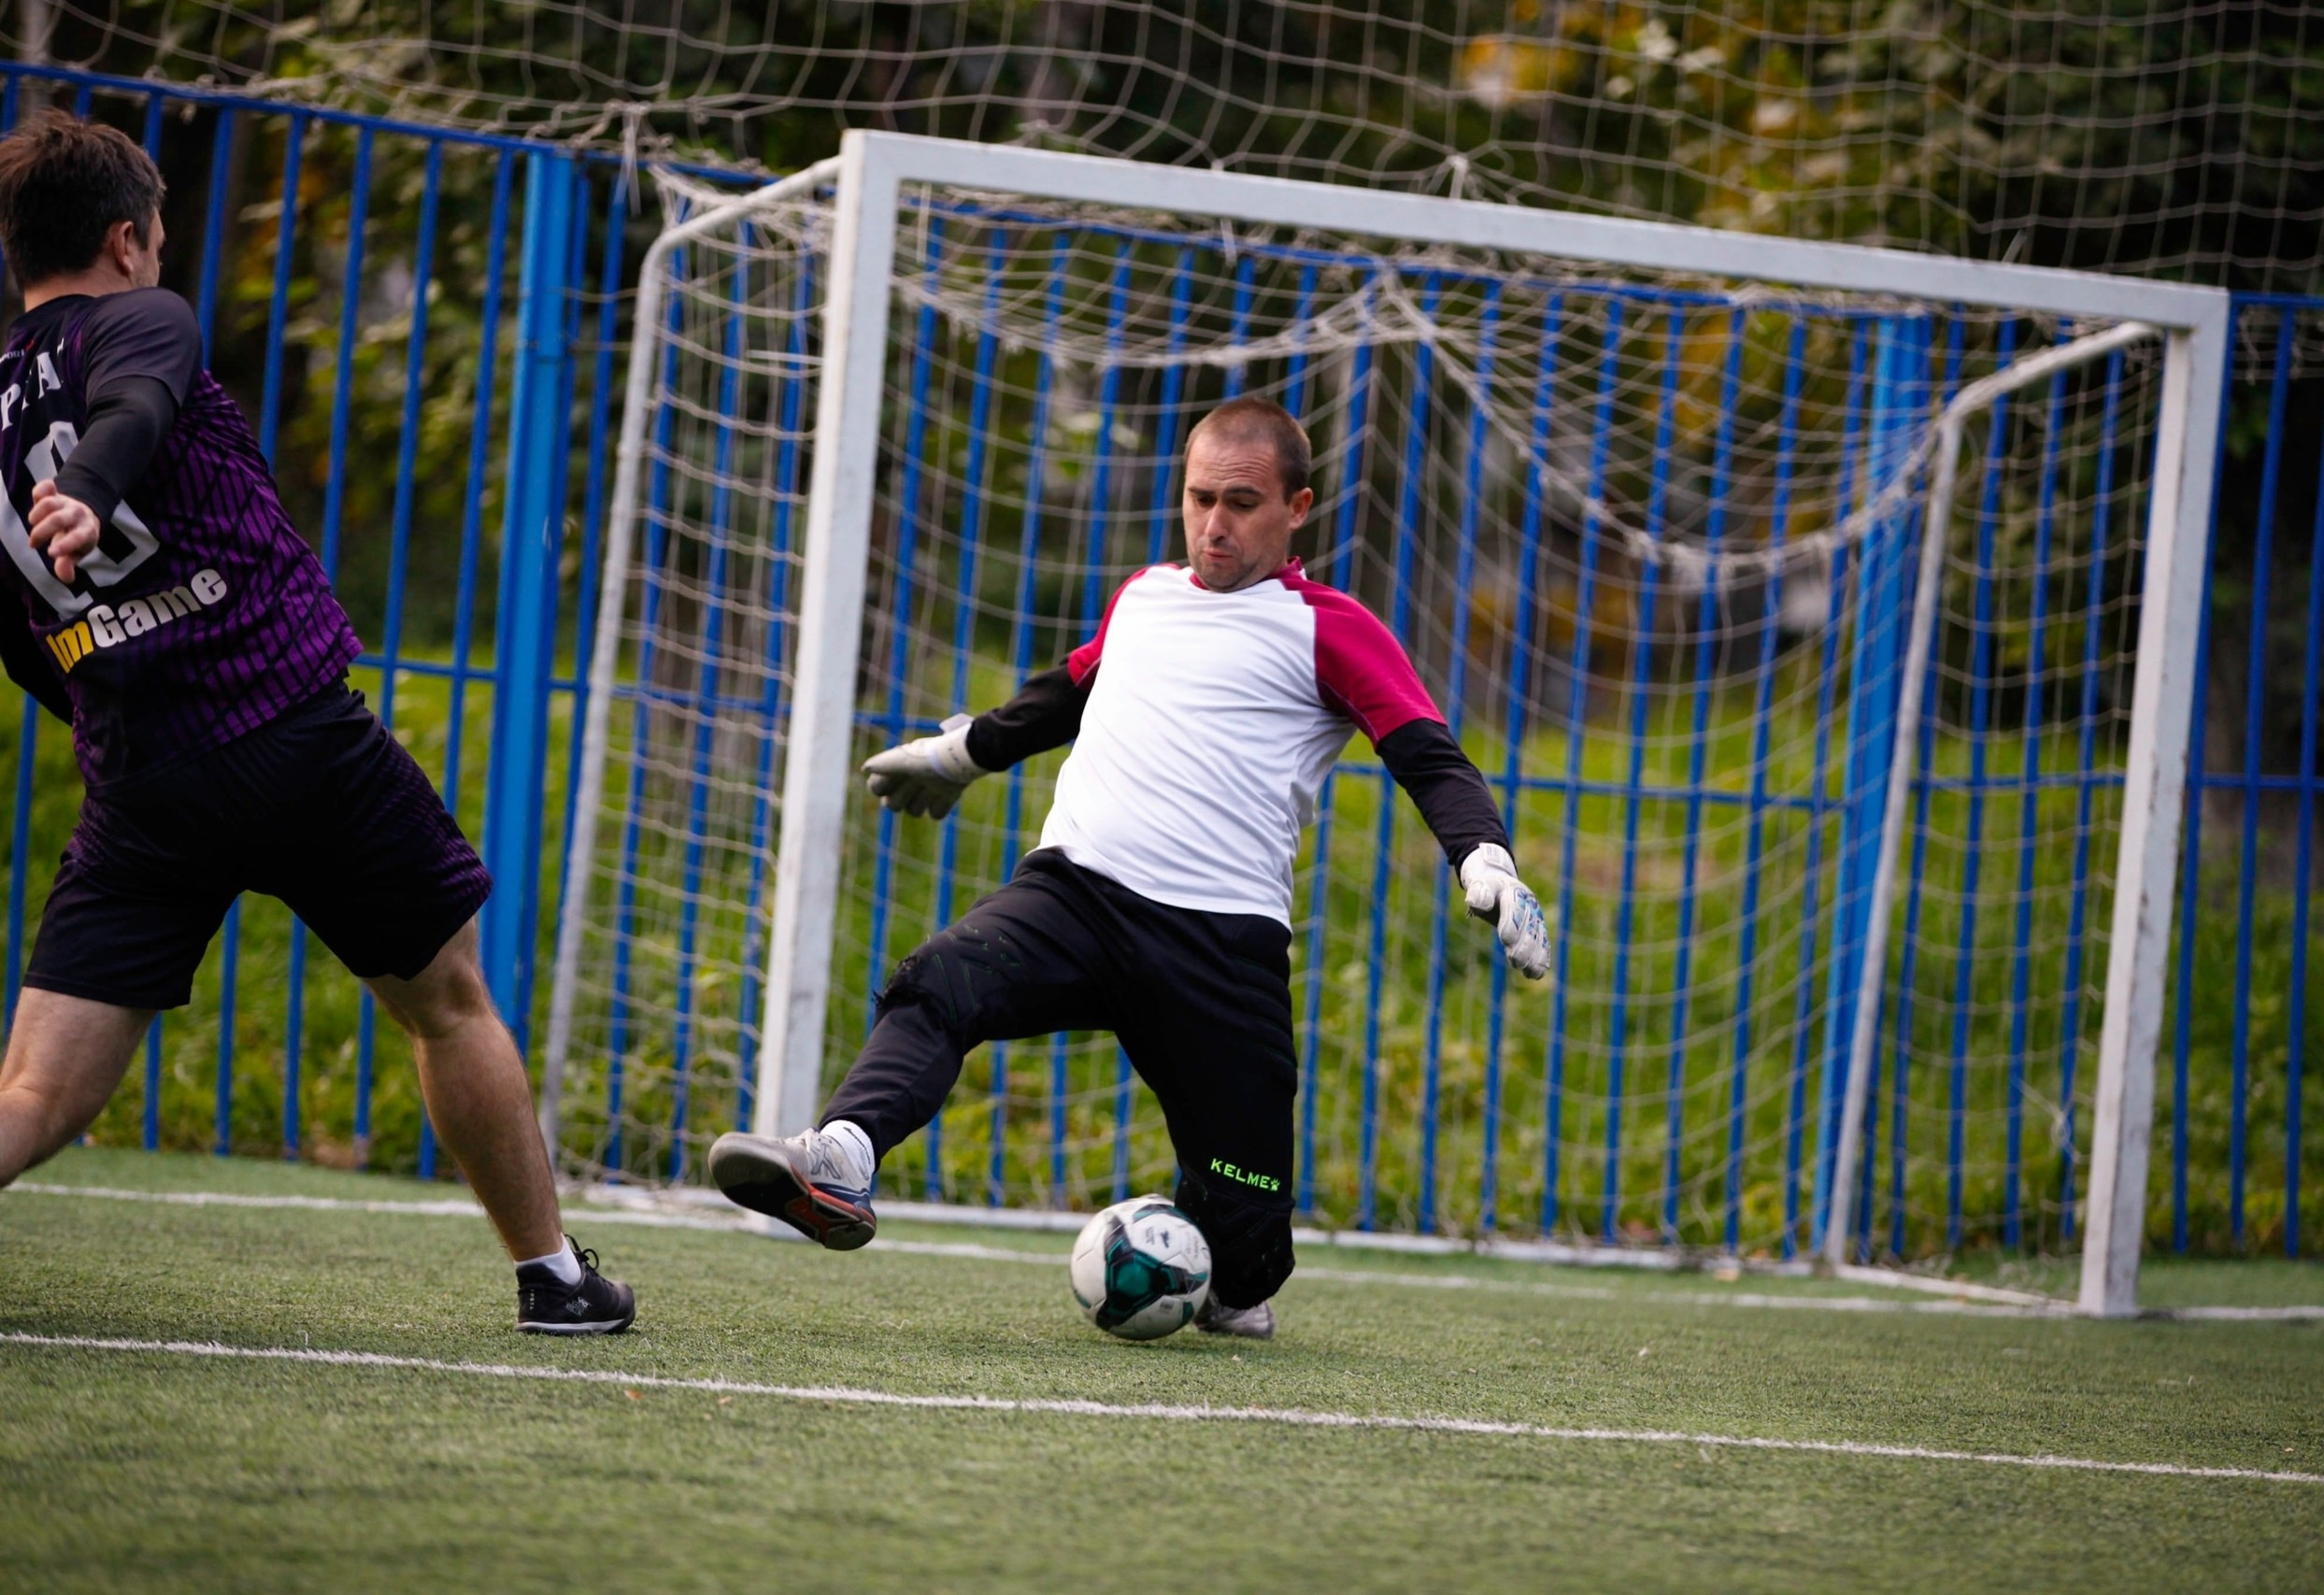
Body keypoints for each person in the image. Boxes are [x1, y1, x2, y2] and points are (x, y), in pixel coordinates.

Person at [709, 395, 1550, 1339]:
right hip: (1074, 896)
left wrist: (1484, 857)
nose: (1214, 524)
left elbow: (1427, 755)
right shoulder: (1143, 595)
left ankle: (1222, 1267)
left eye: (1241, 502)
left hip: (1218, 947)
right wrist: (959, 755)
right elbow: (1065, 693)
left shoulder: (1332, 627)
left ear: (1297, 507)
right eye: (1199, 499)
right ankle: (842, 1160)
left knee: (1246, 1265)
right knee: (941, 977)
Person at [0, 110, 632, 1336]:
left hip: (145, 782)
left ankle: (556, 1273)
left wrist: (103, 683)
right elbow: (132, 401)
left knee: (34, 1087)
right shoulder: (145, 318)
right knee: (448, 999)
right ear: (129, 239)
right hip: (297, 739)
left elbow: (15, 628)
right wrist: (87, 484)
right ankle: (555, 1277)